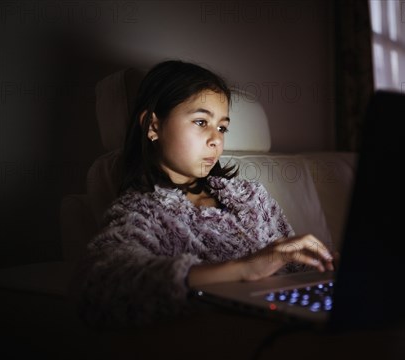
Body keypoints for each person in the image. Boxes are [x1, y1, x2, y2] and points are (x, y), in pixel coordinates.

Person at [77, 60, 335, 327]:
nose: (217, 139)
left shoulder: (252, 195)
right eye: (201, 122)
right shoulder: (142, 211)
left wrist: (329, 265)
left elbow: (294, 264)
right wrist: (244, 269)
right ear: (153, 126)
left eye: (222, 127)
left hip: (289, 316)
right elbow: (101, 282)